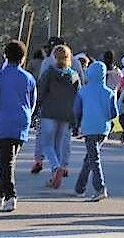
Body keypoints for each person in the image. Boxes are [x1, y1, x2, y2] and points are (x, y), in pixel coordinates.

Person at [0, 40, 37, 212]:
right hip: (21, 121)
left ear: (5, 56)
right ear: (23, 58)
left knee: (6, 161)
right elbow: (33, 102)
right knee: (9, 160)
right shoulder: (29, 78)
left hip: (3, 121)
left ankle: (10, 194)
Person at [73, 61, 118, 202]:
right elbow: (114, 114)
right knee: (91, 158)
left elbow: (76, 110)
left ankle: (100, 187)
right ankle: (80, 187)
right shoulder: (109, 92)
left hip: (89, 127)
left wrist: (77, 123)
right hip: (103, 129)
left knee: (94, 158)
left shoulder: (83, 91)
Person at [38, 45, 80, 189]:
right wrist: (76, 117)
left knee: (47, 144)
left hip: (49, 112)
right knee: (59, 145)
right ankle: (55, 172)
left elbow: (41, 91)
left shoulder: (49, 73)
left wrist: (37, 108)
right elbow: (77, 97)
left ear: (54, 57)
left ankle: (56, 168)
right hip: (66, 114)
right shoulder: (74, 75)